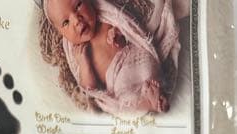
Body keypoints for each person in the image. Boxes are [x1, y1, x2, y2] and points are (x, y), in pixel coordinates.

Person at [38, 0, 181, 115]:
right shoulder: (79, 53)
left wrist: (118, 36)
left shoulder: (106, 19)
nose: (76, 19)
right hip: (118, 81)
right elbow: (90, 88)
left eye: (78, 5)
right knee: (126, 97)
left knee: (148, 65)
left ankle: (155, 91)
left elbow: (130, 32)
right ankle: (150, 102)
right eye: (66, 22)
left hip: (135, 57)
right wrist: (84, 63)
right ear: (61, 33)